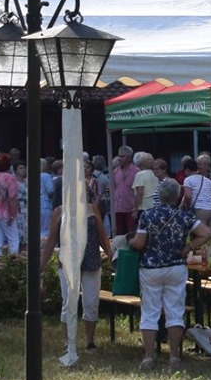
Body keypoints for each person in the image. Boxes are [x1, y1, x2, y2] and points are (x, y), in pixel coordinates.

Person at [132, 176, 209, 373]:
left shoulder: (148, 215)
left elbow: (139, 243)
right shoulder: (184, 216)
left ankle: (149, 356)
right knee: (175, 312)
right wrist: (189, 246)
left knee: (150, 312)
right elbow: (206, 233)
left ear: (159, 195)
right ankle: (174, 356)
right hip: (176, 267)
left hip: (151, 267)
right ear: (178, 196)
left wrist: (130, 242)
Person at [42, 175, 112, 367]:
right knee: (68, 301)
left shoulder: (92, 210)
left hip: (91, 260)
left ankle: (90, 341)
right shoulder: (59, 212)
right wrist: (41, 266)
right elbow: (51, 241)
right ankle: (68, 341)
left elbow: (102, 236)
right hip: (68, 262)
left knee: (91, 302)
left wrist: (110, 255)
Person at [111, 151, 139, 238]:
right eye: (119, 156)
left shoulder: (136, 171)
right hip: (118, 208)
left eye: (122, 156)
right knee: (119, 236)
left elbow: (139, 191)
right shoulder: (115, 171)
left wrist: (136, 209)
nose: (119, 158)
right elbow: (113, 188)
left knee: (131, 235)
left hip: (130, 209)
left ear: (129, 158)